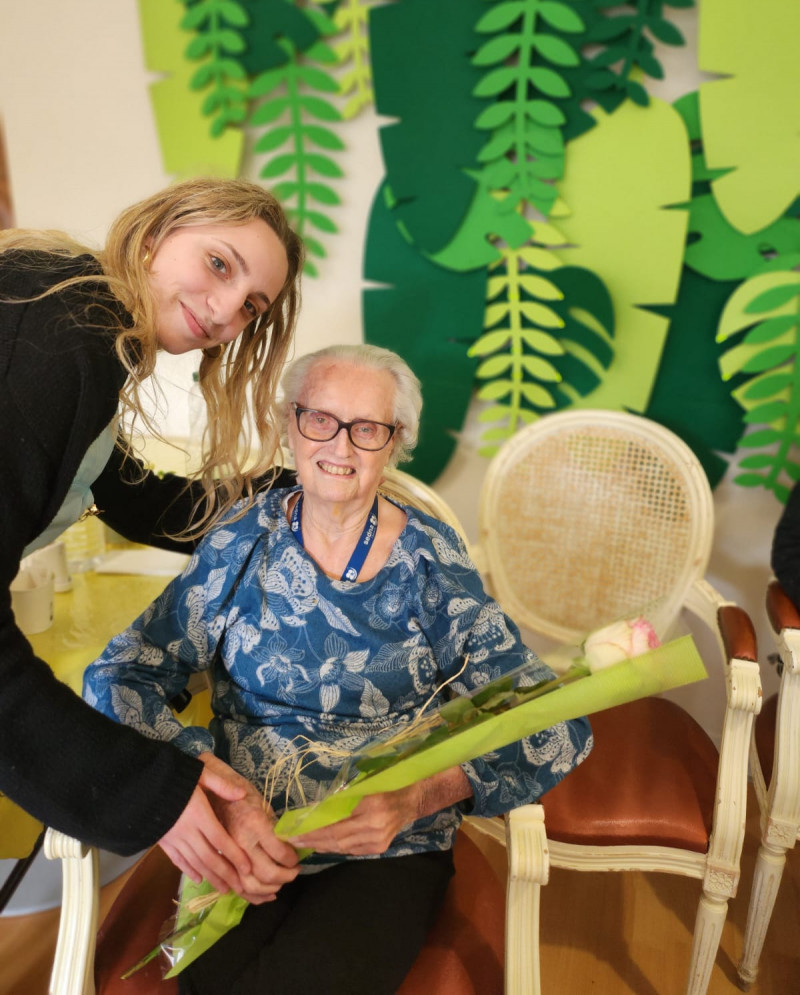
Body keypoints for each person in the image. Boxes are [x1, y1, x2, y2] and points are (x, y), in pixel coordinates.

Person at [84, 343, 593, 994]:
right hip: (250, 834)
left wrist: (416, 796)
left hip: (385, 847)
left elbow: (551, 717)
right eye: (320, 418)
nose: (340, 445)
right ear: (290, 424)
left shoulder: (431, 563)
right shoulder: (241, 539)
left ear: (395, 442)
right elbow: (121, 673)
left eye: (367, 428)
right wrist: (204, 782)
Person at [0, 176, 303, 898]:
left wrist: (297, 484)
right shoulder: (60, 338)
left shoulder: (82, 311)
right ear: (161, 229)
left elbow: (135, 495)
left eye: (251, 307)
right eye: (220, 264)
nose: (228, 311)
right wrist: (147, 791)